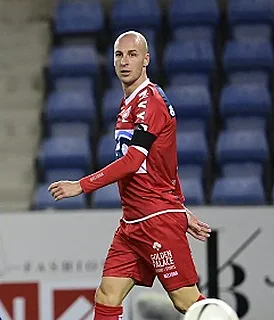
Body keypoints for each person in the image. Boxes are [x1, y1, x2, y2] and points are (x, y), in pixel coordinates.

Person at [47, 31, 212, 319]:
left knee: (188, 303)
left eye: (132, 54)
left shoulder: (151, 102)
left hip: (155, 221)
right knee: (107, 296)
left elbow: (133, 161)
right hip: (132, 223)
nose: (125, 61)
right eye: (119, 55)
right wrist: (180, 208)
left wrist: (81, 186)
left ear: (146, 59)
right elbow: (163, 162)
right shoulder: (129, 103)